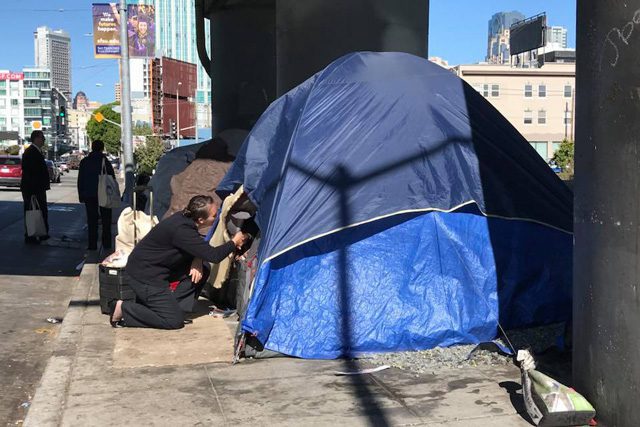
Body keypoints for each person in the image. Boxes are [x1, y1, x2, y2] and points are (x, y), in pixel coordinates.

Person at [109, 195, 247, 329]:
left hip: (157, 269)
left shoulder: (184, 219)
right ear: (200, 220)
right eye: (214, 215)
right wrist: (234, 242)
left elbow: (196, 247)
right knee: (173, 321)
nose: (216, 217)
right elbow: (213, 255)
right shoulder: (182, 230)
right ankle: (123, 309)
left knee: (203, 268)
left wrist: (197, 258)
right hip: (144, 276)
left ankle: (177, 308)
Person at [77, 140, 116, 250]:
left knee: (91, 220)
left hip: (89, 194)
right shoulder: (105, 161)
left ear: (92, 148)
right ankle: (106, 244)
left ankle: (92, 244)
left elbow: (80, 180)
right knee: (106, 220)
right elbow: (112, 178)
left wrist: (81, 195)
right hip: (104, 193)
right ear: (102, 149)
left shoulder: (85, 161)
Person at [21, 130, 50, 244]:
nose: (44, 140)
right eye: (42, 138)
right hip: (33, 189)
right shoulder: (31, 152)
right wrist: (33, 190)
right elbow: (31, 172)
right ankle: (32, 234)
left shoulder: (35, 151)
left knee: (38, 211)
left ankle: (39, 232)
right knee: (33, 211)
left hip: (35, 188)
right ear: (36, 139)